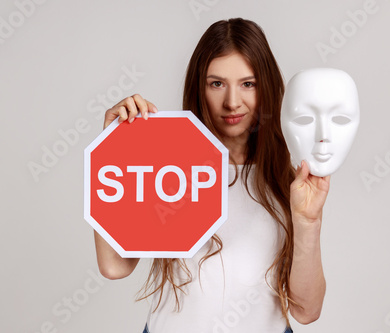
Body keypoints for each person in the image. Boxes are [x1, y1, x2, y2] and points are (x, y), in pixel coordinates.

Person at [93, 18, 330, 333]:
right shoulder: (169, 168)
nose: (232, 102)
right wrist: (112, 153)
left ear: (267, 87)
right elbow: (114, 266)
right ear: (199, 88)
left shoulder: (289, 180)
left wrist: (309, 222)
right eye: (217, 83)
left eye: (248, 83)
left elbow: (307, 310)